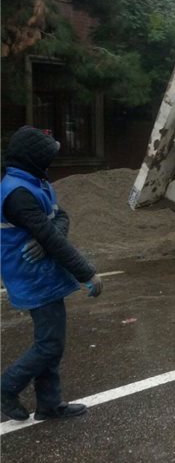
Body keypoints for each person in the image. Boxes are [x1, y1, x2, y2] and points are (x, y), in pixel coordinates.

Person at [1, 126, 103, 421]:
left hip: (43, 272)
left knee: (50, 341)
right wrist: (88, 274)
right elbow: (52, 237)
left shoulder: (36, 183)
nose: (51, 163)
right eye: (47, 157)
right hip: (30, 275)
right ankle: (7, 387)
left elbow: (60, 219)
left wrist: (47, 242)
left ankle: (49, 404)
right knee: (50, 344)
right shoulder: (17, 193)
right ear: (32, 158)